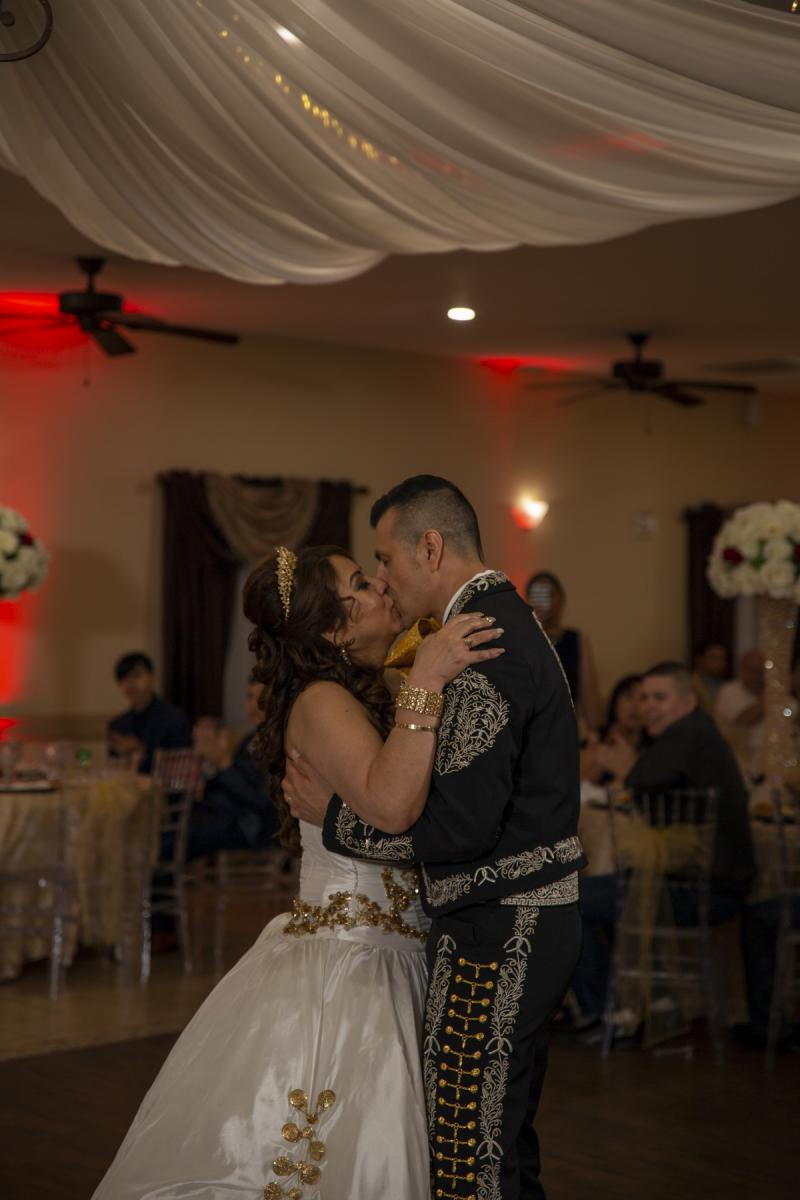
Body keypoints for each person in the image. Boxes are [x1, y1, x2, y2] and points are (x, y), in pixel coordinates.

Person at [92, 544, 502, 1200]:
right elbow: (394, 806)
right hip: (350, 962)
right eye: (360, 583)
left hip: (395, 948)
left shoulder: (362, 691)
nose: (380, 588)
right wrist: (426, 681)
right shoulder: (321, 701)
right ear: (333, 628)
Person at [287, 475, 584, 1200]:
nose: (383, 579)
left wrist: (336, 821)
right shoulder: (492, 624)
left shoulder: (481, 641)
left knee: (469, 1155)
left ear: (430, 547)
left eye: (384, 560)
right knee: (491, 1142)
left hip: (502, 928)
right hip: (508, 918)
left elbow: (457, 829)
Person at [572, 662, 756, 1032]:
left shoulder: (686, 735)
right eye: (643, 698)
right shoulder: (695, 733)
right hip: (702, 882)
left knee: (567, 903)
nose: (647, 707)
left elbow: (642, 780)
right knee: (600, 893)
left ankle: (609, 1011)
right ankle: (652, 998)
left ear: (687, 702)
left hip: (701, 890)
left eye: (659, 698)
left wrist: (624, 766)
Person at [524, 570, 602, 733]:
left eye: (549, 595)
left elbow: (588, 694)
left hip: (564, 729)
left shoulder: (576, 640)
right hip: (529, 730)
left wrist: (594, 731)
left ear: (560, 599)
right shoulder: (523, 639)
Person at [107, 651, 191, 774]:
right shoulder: (117, 725)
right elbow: (113, 769)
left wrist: (142, 753)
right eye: (124, 677)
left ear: (152, 677)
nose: (130, 682)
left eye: (137, 675)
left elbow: (181, 770)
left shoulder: (175, 719)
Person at [714, 649, 765, 779]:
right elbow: (742, 722)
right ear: (742, 670)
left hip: (769, 760)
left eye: (762, 671)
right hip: (739, 762)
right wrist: (766, 700)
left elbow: (790, 715)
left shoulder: (776, 694)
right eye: (753, 671)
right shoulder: (728, 692)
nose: (758, 676)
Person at [691, 641, 728, 714]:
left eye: (722, 658)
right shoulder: (690, 684)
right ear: (700, 660)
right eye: (714, 658)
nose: (719, 662)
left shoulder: (726, 685)